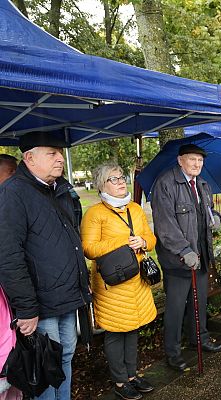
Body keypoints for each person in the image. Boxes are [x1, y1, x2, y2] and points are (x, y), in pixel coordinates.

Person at [0, 131, 91, 400]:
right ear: (29, 158)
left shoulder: (59, 188)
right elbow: (8, 255)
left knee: (64, 358)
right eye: (51, 153)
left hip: (67, 296)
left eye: (60, 153)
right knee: (44, 367)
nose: (59, 158)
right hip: (40, 304)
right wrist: (27, 308)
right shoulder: (12, 193)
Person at [81, 162, 157, 400]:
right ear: (102, 185)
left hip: (136, 280)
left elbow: (150, 238)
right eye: (113, 179)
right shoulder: (95, 213)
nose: (121, 182)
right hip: (112, 283)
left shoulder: (134, 208)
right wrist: (124, 242)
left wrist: (143, 243)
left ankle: (132, 376)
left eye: (121, 177)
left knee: (133, 329)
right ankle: (120, 381)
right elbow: (88, 248)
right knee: (115, 332)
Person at [152, 143, 221, 373]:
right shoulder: (166, 184)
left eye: (200, 160)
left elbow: (208, 211)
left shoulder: (201, 184)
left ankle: (199, 338)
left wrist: (217, 218)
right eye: (192, 159)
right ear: (180, 160)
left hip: (201, 255)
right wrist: (184, 250)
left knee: (199, 302)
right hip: (178, 260)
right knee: (175, 308)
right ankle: (172, 353)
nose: (197, 164)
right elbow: (165, 225)